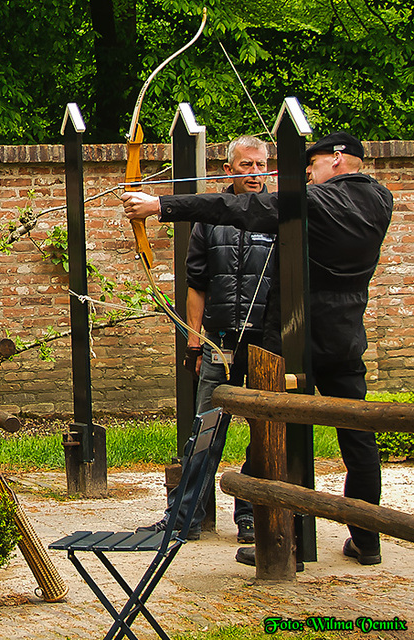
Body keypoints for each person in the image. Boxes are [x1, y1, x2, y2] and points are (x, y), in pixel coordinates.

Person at [122, 131, 393, 567]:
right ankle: (367, 541)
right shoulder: (382, 200)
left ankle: (288, 546)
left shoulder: (317, 201)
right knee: (358, 438)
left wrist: (161, 205)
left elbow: (235, 207)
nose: (309, 172)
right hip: (345, 340)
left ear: (338, 159)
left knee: (279, 437)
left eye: (314, 164)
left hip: (295, 340)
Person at [146, 136, 276, 542]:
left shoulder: (279, 212)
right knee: (204, 432)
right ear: (229, 169)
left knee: (265, 435)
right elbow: (197, 284)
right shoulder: (210, 216)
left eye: (261, 166)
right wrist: (194, 342)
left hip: (266, 347)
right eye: (246, 166)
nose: (255, 174)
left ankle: (250, 514)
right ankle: (184, 518)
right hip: (220, 343)